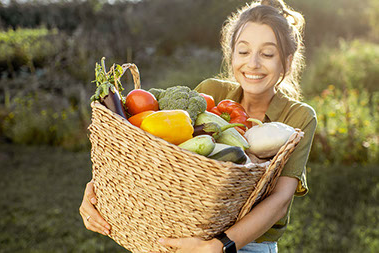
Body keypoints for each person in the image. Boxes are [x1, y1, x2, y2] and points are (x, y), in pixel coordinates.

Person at [79, 0, 317, 252]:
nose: (253, 63)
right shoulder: (210, 93)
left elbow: (280, 200)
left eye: (267, 54)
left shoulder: (298, 117)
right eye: (243, 51)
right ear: (231, 54)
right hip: (190, 236)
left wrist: (219, 246)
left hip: (248, 244)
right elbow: (164, 159)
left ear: (287, 62)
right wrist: (98, 189)